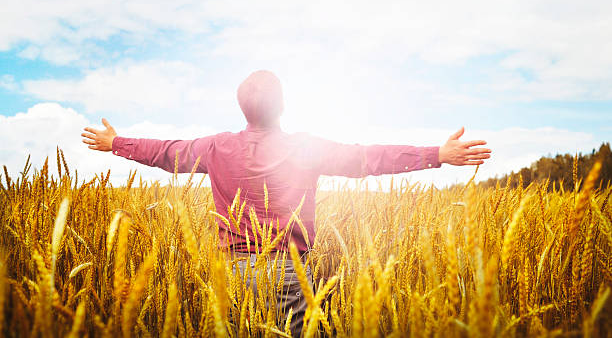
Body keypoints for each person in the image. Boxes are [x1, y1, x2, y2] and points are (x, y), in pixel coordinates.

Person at [81, 70, 491, 336]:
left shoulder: (216, 148)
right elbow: (369, 158)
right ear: (283, 107)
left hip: (231, 276)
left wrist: (116, 143)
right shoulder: (305, 148)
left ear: (241, 109)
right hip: (288, 275)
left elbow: (165, 152)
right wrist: (437, 154)